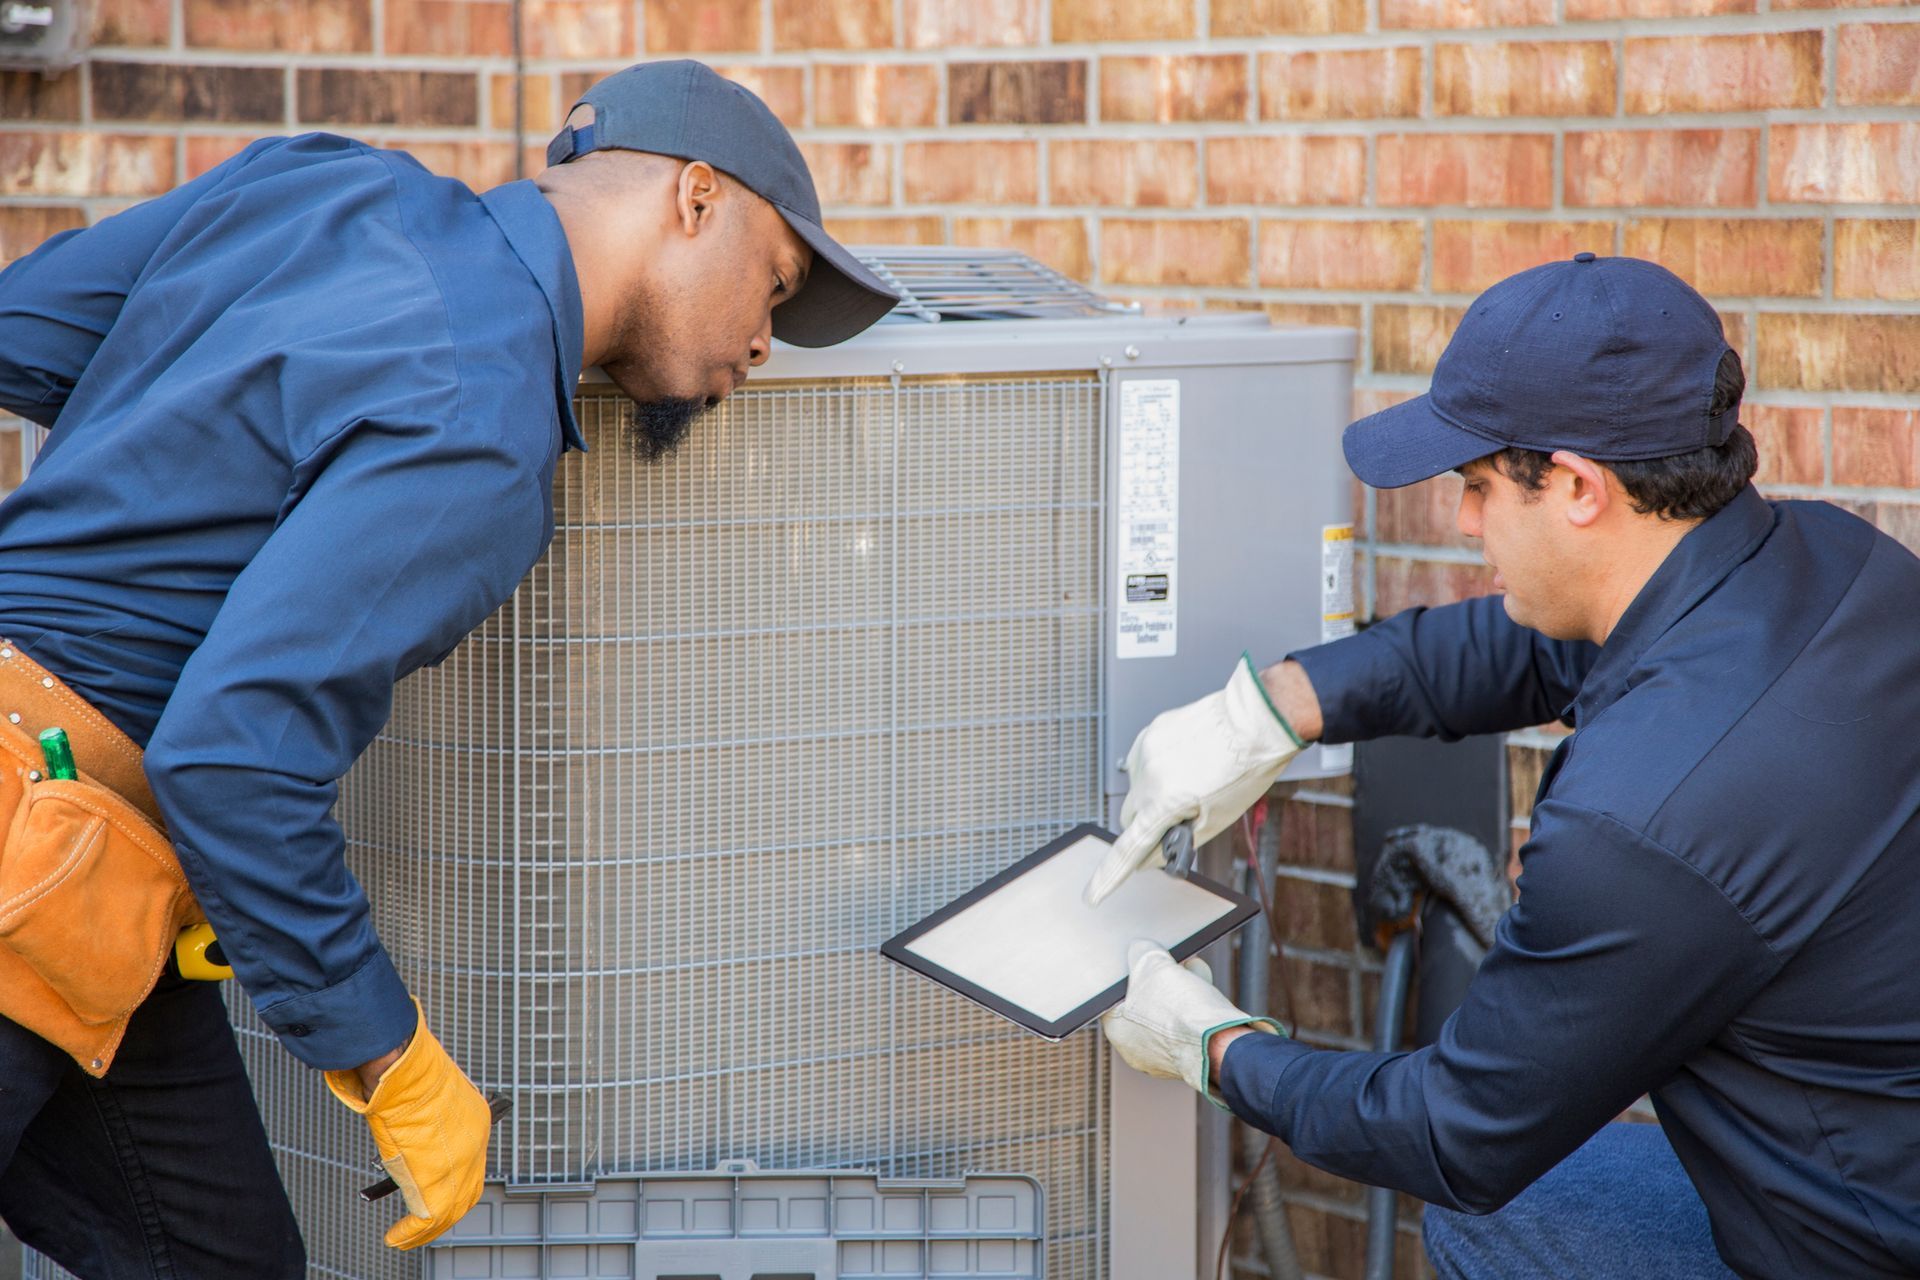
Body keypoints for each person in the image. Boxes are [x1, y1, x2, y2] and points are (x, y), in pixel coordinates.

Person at [0, 60, 897, 1273]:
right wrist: (394, 1058)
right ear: (694, 200)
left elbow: (25, 326)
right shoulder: (485, 418)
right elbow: (233, 759)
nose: (765, 340)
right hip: (34, 845)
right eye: (775, 284)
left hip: (99, 880)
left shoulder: (319, 182)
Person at [1092, 255, 1920, 1279]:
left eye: (1479, 486)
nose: (1465, 520)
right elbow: (1535, 644)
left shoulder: (1642, 820)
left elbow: (1457, 1131)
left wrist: (1218, 1050)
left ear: (1577, 486)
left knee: (1490, 1193)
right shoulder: (1830, 565)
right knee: (1519, 1211)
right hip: (1882, 1143)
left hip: (1853, 1243)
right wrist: (1270, 708)